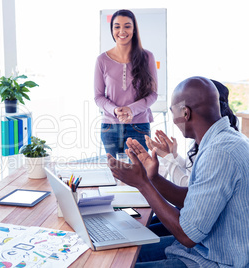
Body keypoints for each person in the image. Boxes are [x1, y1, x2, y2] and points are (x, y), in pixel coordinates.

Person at [107, 76, 249, 267]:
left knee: (116, 262)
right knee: (118, 253)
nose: (173, 119)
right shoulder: (224, 140)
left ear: (185, 113)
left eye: (172, 111)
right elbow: (193, 198)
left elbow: (188, 235)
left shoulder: (219, 152)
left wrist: (142, 183)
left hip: (213, 260)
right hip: (202, 249)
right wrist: (153, 178)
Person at [145, 79, 239, 187]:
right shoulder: (209, 138)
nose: (174, 120)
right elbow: (192, 171)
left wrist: (166, 158)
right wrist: (173, 155)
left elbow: (188, 188)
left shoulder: (217, 150)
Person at [94, 9, 158, 157]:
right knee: (116, 175)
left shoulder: (147, 57)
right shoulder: (102, 60)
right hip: (110, 127)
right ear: (112, 30)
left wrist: (131, 110)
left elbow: (153, 94)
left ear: (134, 29)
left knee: (139, 174)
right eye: (117, 26)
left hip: (139, 126)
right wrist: (116, 110)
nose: (122, 31)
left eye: (127, 26)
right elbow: (98, 97)